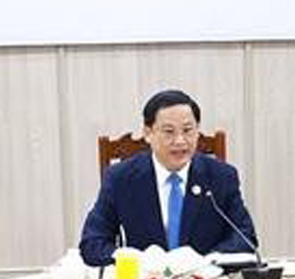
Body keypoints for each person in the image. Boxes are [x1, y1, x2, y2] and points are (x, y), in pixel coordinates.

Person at [80, 89, 258, 266]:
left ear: (198, 131)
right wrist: (135, 259)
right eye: (169, 132)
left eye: (188, 130)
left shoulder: (221, 176)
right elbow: (92, 243)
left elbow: (245, 238)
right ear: (148, 133)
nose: (180, 141)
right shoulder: (121, 178)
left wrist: (207, 261)